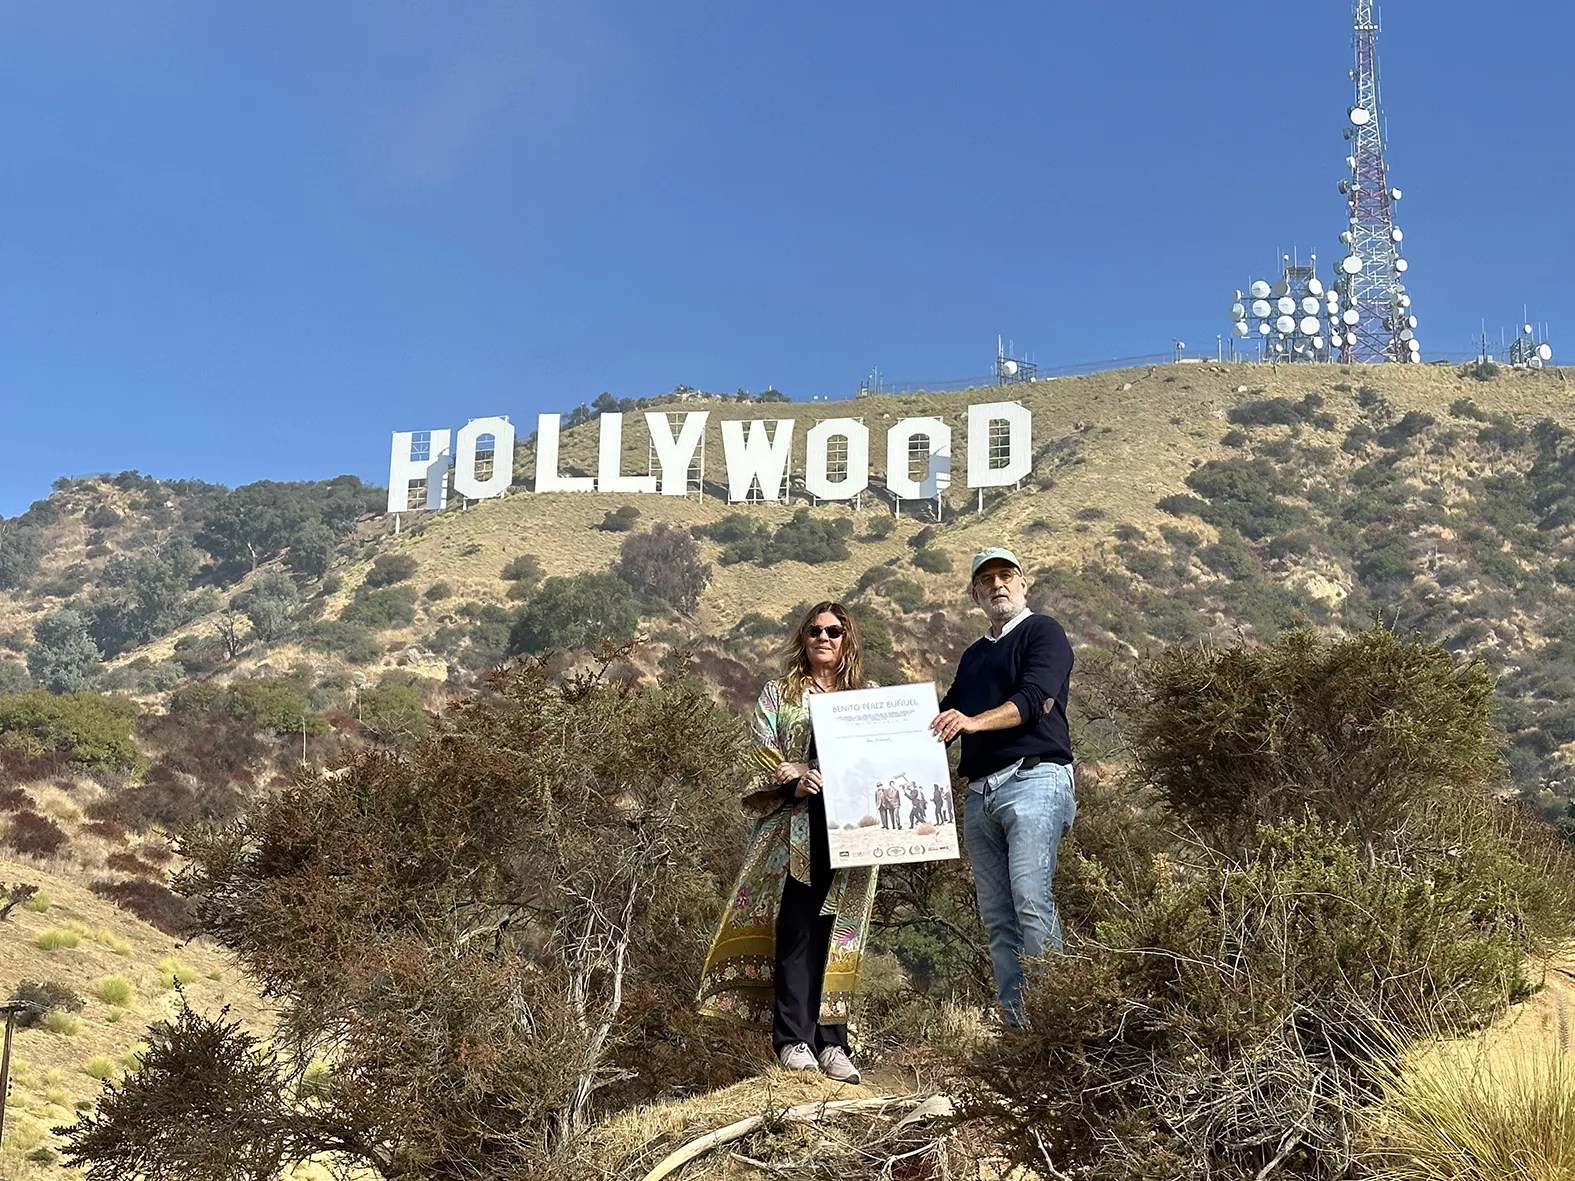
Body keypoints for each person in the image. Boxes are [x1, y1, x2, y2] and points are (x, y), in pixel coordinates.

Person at [697, 601, 877, 1084]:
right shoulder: (779, 695)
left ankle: (833, 1042)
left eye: (834, 631)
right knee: (798, 928)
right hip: (797, 829)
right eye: (814, 630)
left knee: (840, 932)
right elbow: (760, 757)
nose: (824, 638)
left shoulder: (868, 697)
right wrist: (793, 780)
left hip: (856, 831)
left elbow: (885, 755)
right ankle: (794, 1039)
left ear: (848, 639)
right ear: (803, 638)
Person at [930, 547, 1075, 1023]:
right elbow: (943, 717)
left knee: (1031, 899)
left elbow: (1034, 699)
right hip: (980, 794)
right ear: (975, 594)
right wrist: (879, 712)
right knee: (997, 918)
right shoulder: (974, 655)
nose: (997, 585)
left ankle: (1057, 1020)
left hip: (1035, 778)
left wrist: (972, 722)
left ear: (1023, 583)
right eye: (986, 579)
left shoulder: (1043, 632)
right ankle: (1019, 1030)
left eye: (1006, 575)